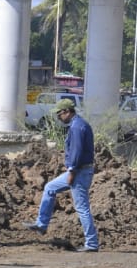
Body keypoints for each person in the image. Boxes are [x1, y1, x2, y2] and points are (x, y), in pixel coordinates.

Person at [26, 96, 100, 252]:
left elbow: (77, 152)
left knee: (82, 207)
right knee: (50, 188)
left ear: (67, 111)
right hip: (79, 170)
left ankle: (92, 243)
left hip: (79, 171)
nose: (58, 117)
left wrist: (71, 171)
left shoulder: (77, 127)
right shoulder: (78, 124)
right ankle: (41, 224)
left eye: (59, 114)